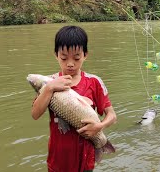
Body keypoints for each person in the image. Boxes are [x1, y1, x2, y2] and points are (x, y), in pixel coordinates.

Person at [31, 25, 117, 172]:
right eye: (64, 57)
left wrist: (99, 126)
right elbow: (35, 114)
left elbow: (112, 116)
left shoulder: (94, 82)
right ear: (56, 55)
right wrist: (50, 88)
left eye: (76, 57)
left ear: (85, 55)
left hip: (85, 158)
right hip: (58, 159)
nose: (70, 63)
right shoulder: (49, 82)